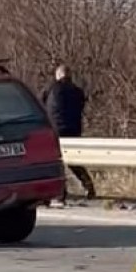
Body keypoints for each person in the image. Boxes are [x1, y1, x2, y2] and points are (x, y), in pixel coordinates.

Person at [41, 64, 96, 201]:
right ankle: (88, 186)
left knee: (56, 161)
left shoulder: (50, 89)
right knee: (74, 161)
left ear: (58, 75)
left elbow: (41, 103)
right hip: (73, 131)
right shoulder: (77, 91)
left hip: (55, 131)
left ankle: (61, 192)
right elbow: (81, 105)